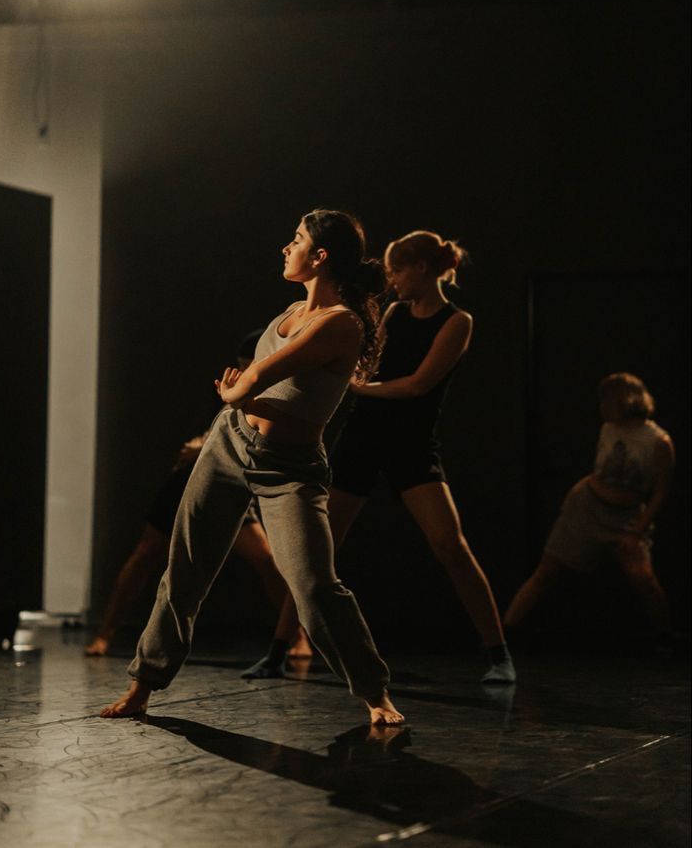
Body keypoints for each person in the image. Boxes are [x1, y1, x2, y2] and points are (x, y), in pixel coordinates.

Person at [100, 209, 403, 726]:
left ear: (320, 256)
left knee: (313, 586)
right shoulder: (287, 311)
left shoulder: (342, 325)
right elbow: (248, 389)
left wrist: (234, 389)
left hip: (288, 467)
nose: (287, 248)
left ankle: (376, 695)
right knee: (186, 568)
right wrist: (235, 397)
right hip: (229, 444)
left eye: (297, 240)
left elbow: (256, 377)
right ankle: (142, 686)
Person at [249, 230, 515, 684]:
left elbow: (418, 385)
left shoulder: (457, 321)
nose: (391, 280)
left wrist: (357, 387)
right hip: (364, 436)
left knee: (451, 546)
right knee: (316, 549)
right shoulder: (393, 312)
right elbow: (366, 364)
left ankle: (499, 655)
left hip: (411, 442)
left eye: (396, 270)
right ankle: (276, 651)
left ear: (423, 270)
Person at [85, 332, 310, 659]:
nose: (246, 369)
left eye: (251, 364)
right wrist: (198, 446)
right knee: (147, 553)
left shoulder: (275, 391)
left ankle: (296, 638)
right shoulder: (231, 385)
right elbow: (211, 431)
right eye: (244, 364)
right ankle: (105, 632)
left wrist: (203, 446)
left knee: (266, 560)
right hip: (189, 481)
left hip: (232, 482)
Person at [504, 372, 674, 641]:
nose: (601, 407)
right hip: (588, 507)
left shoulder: (658, 441)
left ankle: (665, 638)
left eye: (606, 400)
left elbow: (661, 492)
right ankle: (504, 635)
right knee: (547, 571)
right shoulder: (608, 428)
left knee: (643, 579)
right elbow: (601, 472)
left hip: (626, 518)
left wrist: (636, 531)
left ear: (624, 400)